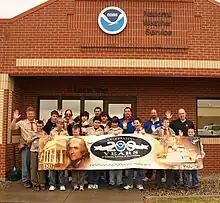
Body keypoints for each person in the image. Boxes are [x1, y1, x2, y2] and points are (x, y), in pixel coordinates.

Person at [11, 107, 37, 188]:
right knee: (25, 164)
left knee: (33, 164)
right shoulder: (22, 122)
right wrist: (14, 119)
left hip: (35, 146)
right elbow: (12, 128)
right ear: (26, 114)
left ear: (34, 114)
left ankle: (34, 180)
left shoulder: (37, 123)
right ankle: (26, 180)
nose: (30, 115)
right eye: (29, 114)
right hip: (25, 146)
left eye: (32, 114)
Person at [170, 108, 195, 186]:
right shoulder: (174, 123)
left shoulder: (190, 123)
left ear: (185, 114)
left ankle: (185, 182)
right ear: (178, 115)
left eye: (183, 113)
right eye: (180, 113)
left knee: (185, 163)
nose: (181, 115)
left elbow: (193, 135)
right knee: (177, 163)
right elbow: (169, 132)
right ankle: (177, 180)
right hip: (177, 146)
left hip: (187, 147)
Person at [152, 117, 175, 189]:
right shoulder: (158, 130)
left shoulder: (171, 130)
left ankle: (169, 184)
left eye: (167, 122)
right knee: (159, 168)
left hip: (168, 151)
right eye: (164, 122)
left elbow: (174, 139)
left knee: (169, 168)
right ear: (162, 123)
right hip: (160, 150)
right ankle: (158, 184)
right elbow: (153, 137)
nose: (166, 124)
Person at [66, 125, 90, 191]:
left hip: (81, 159)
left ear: (79, 132)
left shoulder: (82, 140)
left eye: (76, 132)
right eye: (74, 132)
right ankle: (75, 185)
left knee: (82, 172)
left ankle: (81, 185)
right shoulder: (70, 140)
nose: (75, 133)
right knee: (74, 172)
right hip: (72, 160)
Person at [124, 118, 144, 191]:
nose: (136, 124)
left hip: (141, 153)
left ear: (140, 123)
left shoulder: (144, 132)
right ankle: (129, 184)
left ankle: (139, 184)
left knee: (140, 170)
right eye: (134, 123)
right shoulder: (132, 132)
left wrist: (144, 134)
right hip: (133, 153)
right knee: (131, 169)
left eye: (137, 123)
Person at [48, 118, 69, 191]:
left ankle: (61, 184)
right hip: (53, 152)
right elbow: (49, 141)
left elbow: (68, 141)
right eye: (59, 123)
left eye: (62, 124)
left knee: (61, 169)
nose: (60, 125)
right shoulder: (52, 132)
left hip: (62, 152)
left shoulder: (65, 132)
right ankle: (52, 184)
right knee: (52, 168)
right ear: (56, 124)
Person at [143, 109, 162, 182]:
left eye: (154, 113)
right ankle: (148, 176)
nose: (153, 114)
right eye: (152, 113)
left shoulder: (160, 123)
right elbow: (144, 132)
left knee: (159, 159)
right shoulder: (147, 123)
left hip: (159, 144)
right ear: (150, 114)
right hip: (150, 144)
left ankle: (161, 176)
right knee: (150, 159)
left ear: (157, 113)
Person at [27, 120, 47, 191]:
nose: (39, 127)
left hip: (41, 152)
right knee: (33, 168)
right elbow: (28, 141)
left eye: (40, 126)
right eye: (38, 126)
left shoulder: (44, 133)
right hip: (33, 151)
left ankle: (42, 183)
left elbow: (47, 142)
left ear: (42, 126)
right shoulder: (32, 133)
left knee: (41, 168)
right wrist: (35, 137)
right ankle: (35, 184)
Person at [87, 116, 104, 189]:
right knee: (90, 168)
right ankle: (90, 182)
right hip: (89, 151)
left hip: (98, 152)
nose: (97, 124)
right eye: (95, 122)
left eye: (98, 123)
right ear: (93, 122)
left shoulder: (102, 131)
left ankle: (96, 182)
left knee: (97, 168)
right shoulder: (88, 130)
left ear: (100, 123)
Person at [108, 116, 123, 189]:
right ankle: (111, 182)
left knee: (119, 167)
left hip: (119, 150)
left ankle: (119, 182)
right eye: (113, 122)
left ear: (118, 123)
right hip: (110, 150)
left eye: (116, 122)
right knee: (111, 168)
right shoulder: (108, 130)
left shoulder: (121, 130)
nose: (114, 124)